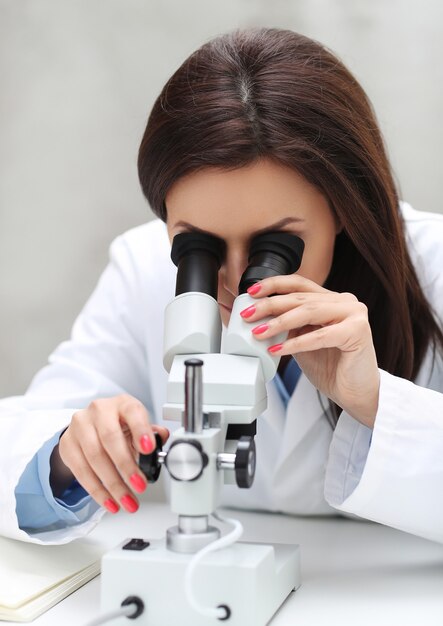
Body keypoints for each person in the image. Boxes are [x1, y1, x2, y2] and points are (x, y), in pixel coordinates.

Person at [1, 27, 442, 545]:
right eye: (198, 248)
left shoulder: (433, 262)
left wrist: (376, 402)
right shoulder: (145, 266)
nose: (234, 279)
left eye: (276, 244)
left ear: (344, 207)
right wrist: (67, 453)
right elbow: (18, 444)